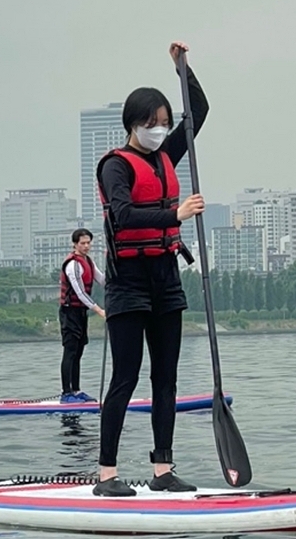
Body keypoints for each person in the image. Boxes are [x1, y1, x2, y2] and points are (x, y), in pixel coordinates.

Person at [91, 40, 207, 498]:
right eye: (152, 123)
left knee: (167, 377)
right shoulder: (115, 167)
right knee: (125, 377)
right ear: (133, 124)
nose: (160, 130)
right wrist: (175, 215)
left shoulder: (166, 156)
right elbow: (122, 216)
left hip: (165, 278)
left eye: (163, 123)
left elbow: (199, 110)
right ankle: (107, 475)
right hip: (128, 282)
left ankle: (163, 469)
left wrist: (183, 69)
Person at [59, 228, 107, 403]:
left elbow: (102, 280)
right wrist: (99, 310)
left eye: (88, 243)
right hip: (69, 312)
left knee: (79, 351)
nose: (86, 246)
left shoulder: (88, 261)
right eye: (83, 243)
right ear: (75, 244)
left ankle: (76, 391)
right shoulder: (73, 265)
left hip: (81, 312)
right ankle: (66, 393)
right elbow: (79, 292)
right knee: (70, 351)